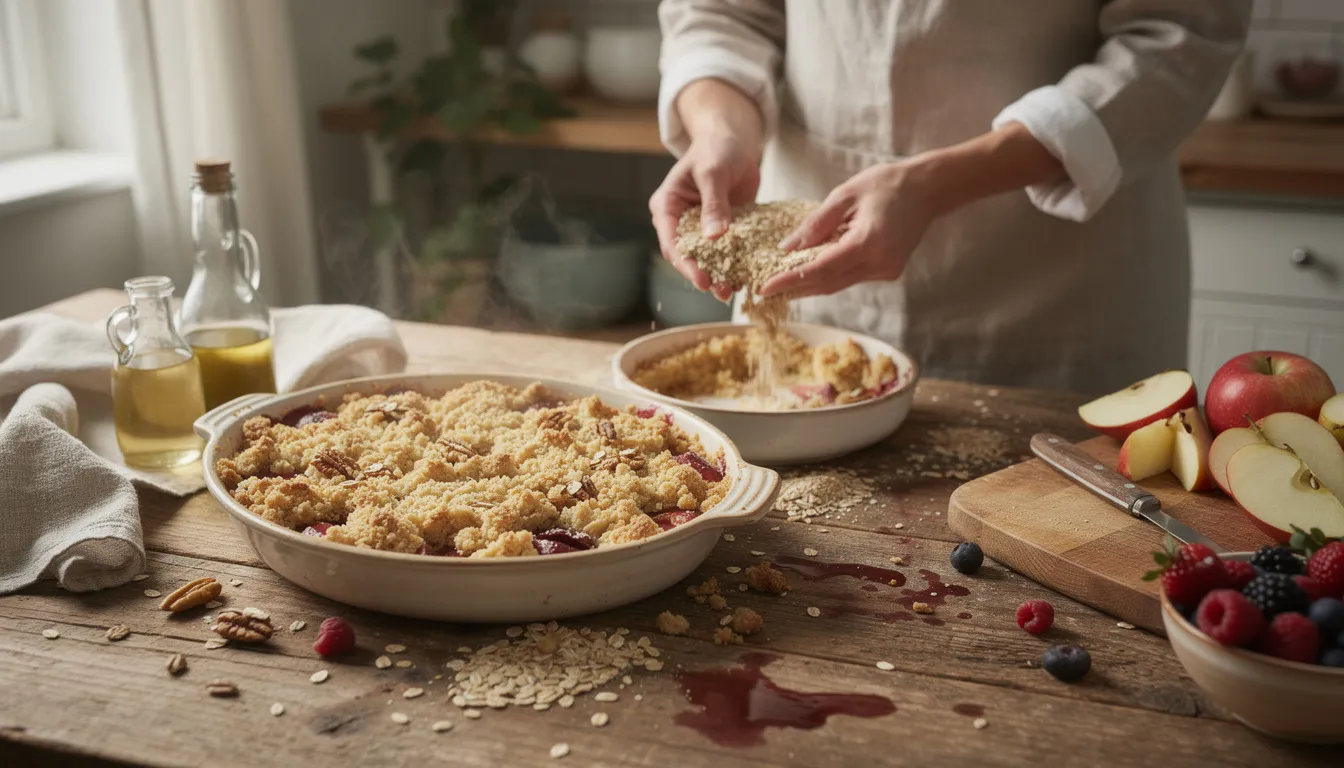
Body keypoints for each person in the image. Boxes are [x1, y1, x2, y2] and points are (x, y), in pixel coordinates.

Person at [649, 1, 1251, 396]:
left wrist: (936, 185)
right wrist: (719, 129)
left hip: (1062, 280)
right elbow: (720, 14)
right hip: (816, 258)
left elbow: (1179, 35)